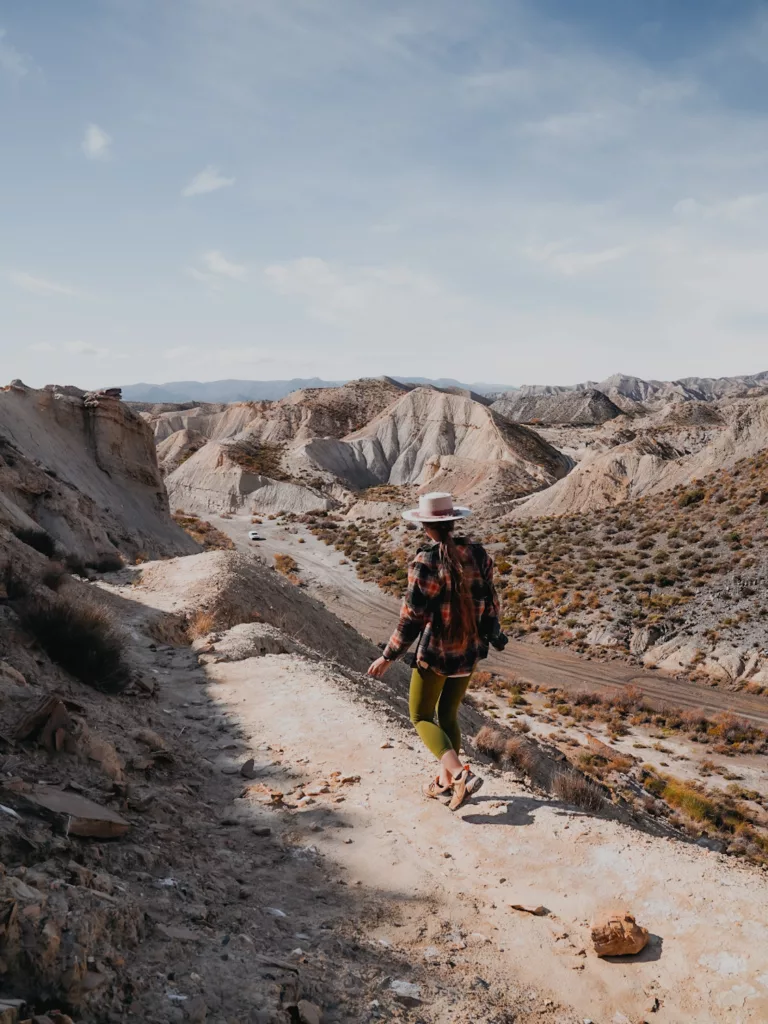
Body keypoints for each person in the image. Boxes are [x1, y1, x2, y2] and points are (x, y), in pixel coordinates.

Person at [367, 492, 500, 811]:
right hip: (469, 651)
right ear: (453, 522)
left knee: (421, 715)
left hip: (437, 653)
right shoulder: (479, 554)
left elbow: (410, 618)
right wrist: (487, 636)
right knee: (448, 715)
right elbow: (492, 603)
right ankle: (444, 783)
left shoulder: (426, 561)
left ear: (426, 527)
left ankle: (459, 775)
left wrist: (388, 656)